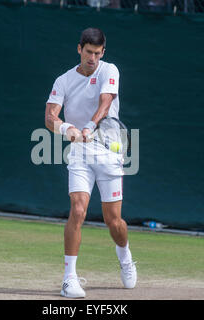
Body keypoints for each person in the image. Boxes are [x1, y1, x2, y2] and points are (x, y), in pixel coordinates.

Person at [44, 28, 137, 298]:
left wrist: (89, 126)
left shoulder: (110, 70)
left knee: (114, 221)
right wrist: (65, 130)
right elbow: (50, 117)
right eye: (88, 53)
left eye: (97, 53)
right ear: (79, 49)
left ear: (103, 53)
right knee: (78, 209)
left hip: (109, 153)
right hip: (80, 154)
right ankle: (69, 279)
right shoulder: (63, 81)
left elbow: (105, 104)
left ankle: (125, 258)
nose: (93, 58)